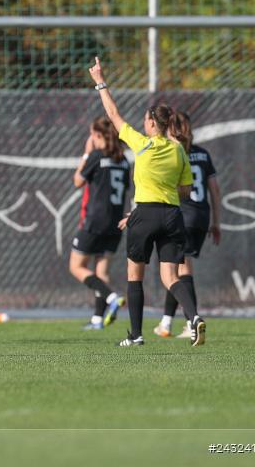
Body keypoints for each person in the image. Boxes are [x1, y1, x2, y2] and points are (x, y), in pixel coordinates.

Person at [87, 57, 205, 347]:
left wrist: (100, 81)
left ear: (152, 123)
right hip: (173, 216)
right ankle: (193, 319)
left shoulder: (142, 143)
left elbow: (113, 114)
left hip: (145, 213)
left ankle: (136, 335)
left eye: (145, 120)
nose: (143, 123)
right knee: (171, 275)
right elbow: (187, 190)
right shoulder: (179, 151)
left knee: (134, 275)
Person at [154, 111, 221, 339]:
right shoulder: (202, 154)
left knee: (180, 270)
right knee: (176, 269)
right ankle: (166, 323)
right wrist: (216, 222)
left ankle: (190, 323)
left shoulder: (172, 151)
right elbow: (214, 190)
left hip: (182, 214)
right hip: (201, 217)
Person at [68, 117, 129, 331]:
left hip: (95, 220)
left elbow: (77, 181)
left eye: (92, 134)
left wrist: (86, 153)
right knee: (101, 273)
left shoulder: (95, 156)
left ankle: (112, 297)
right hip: (115, 222)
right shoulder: (123, 160)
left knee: (76, 266)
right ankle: (97, 320)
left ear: (98, 136)